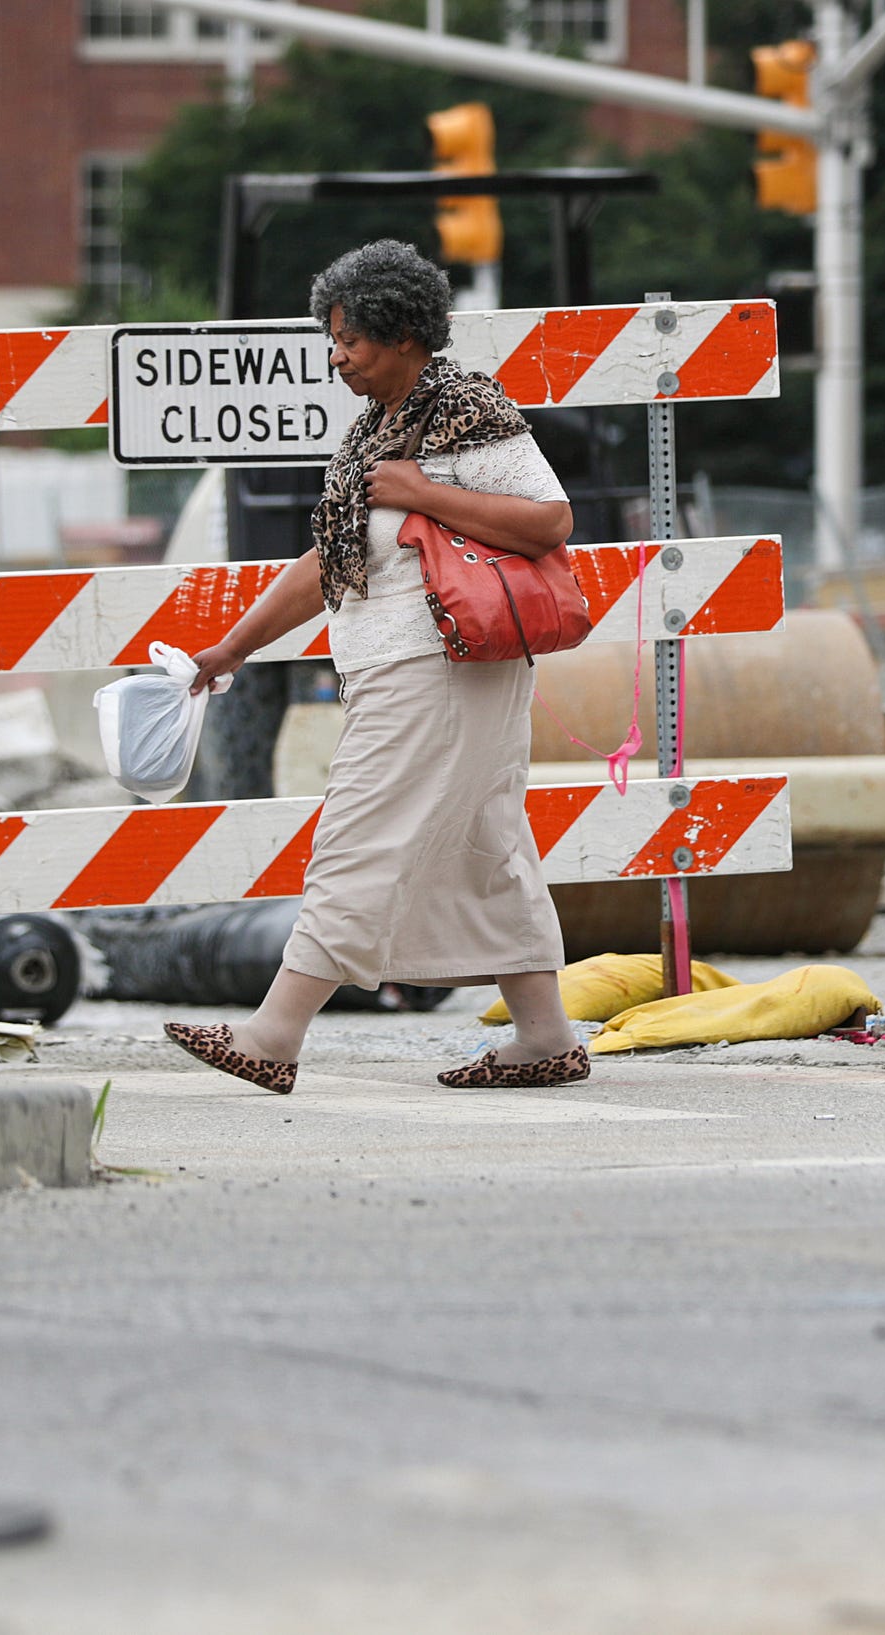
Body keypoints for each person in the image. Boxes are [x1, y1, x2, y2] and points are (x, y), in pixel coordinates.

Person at [161, 239, 587, 1095]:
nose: (337, 355)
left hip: (438, 665)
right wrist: (231, 649)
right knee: (485, 846)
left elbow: (549, 521)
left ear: (400, 334)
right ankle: (543, 1036)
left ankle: (273, 1035)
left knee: (358, 837)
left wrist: (422, 491)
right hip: (422, 668)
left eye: (350, 339)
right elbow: (327, 561)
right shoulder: (375, 433)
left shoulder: (467, 410)